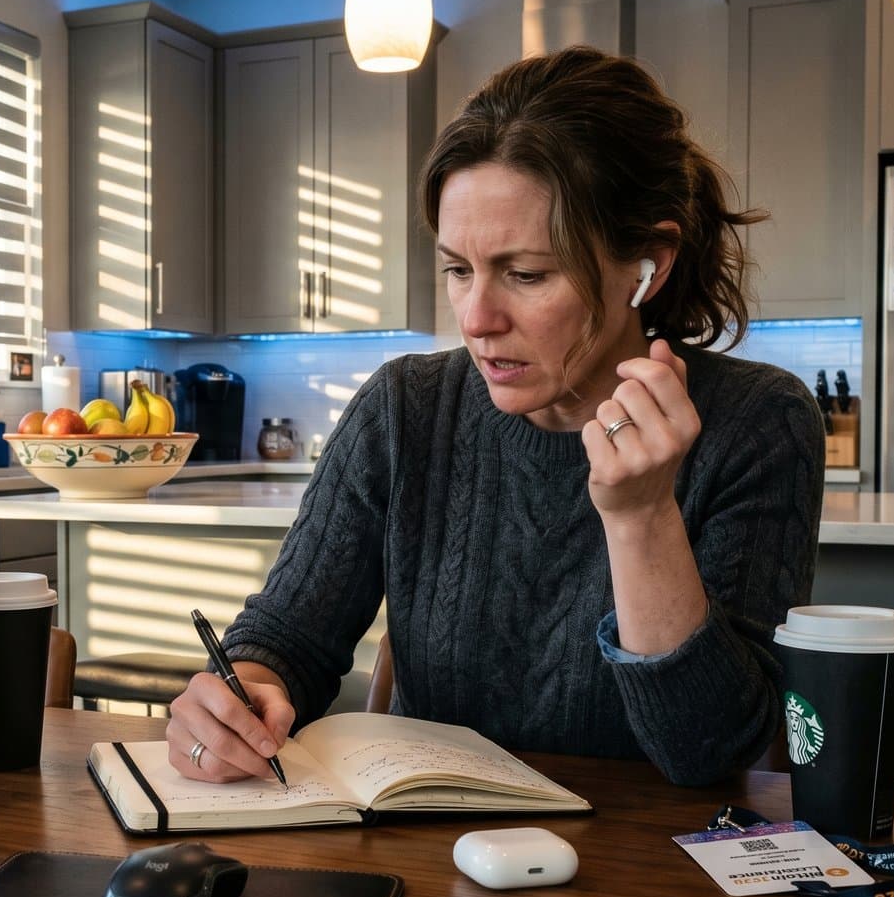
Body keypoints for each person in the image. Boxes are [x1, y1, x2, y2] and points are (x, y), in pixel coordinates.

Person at [164, 47, 825, 788]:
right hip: (431, 864)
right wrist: (241, 694)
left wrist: (642, 518)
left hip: (651, 883)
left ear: (649, 264)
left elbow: (710, 752)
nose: (477, 319)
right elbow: (288, 639)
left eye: (527, 274)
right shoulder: (404, 409)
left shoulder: (760, 422)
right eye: (457, 269)